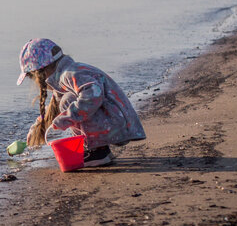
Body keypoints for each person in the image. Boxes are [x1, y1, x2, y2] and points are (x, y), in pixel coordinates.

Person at [17, 38, 146, 167]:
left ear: (41, 73)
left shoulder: (70, 74)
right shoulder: (66, 73)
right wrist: (38, 127)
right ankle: (101, 150)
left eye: (31, 77)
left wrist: (66, 118)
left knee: (67, 101)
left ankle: (96, 151)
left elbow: (93, 96)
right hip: (116, 121)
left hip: (117, 123)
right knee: (65, 101)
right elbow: (54, 110)